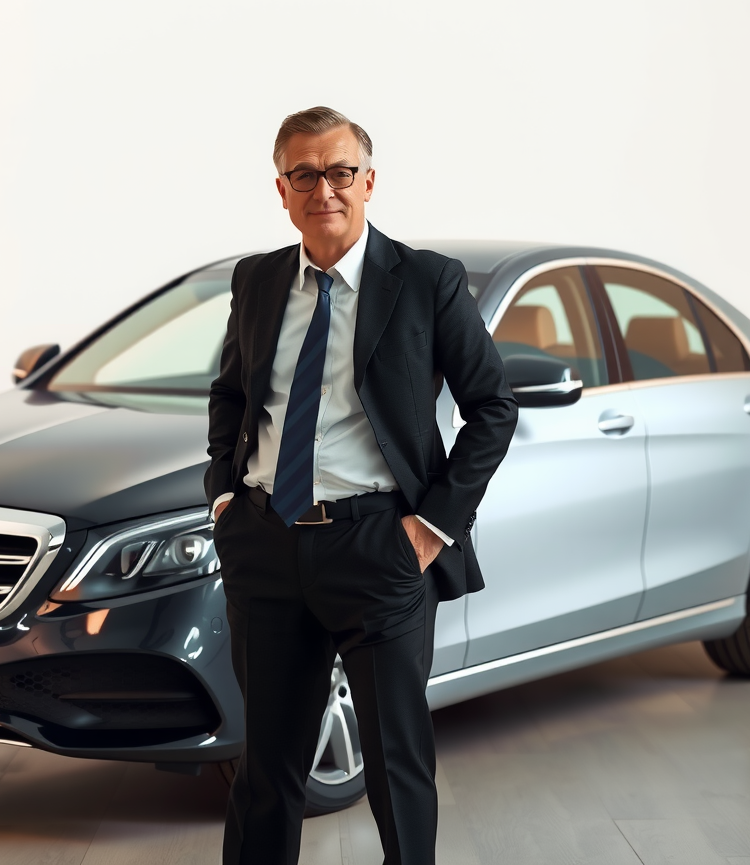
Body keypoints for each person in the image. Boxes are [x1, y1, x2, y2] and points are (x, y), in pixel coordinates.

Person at [206, 106, 518, 865]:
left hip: (379, 550)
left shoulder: (426, 281)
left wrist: (430, 527)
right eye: (304, 174)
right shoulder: (257, 278)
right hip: (267, 549)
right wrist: (223, 497)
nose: (325, 189)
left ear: (369, 181)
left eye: (340, 171)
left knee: (395, 768)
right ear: (281, 189)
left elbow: (492, 408)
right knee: (265, 773)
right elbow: (233, 395)